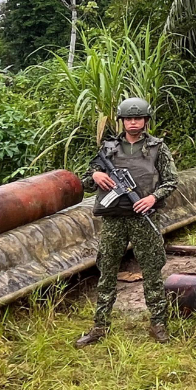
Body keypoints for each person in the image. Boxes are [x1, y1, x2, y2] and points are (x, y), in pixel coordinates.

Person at [74, 98, 179, 348]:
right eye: (129, 119)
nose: (134, 123)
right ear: (122, 121)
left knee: (152, 270)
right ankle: (100, 326)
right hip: (114, 220)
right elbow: (86, 180)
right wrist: (96, 174)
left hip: (144, 219)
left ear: (145, 120)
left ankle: (158, 323)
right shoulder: (109, 149)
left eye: (138, 118)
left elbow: (171, 181)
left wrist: (153, 198)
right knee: (107, 269)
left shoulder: (157, 148)